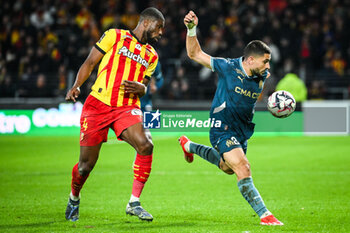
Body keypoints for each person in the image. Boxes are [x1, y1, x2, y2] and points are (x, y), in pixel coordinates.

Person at [179, 11, 283, 226]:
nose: (268, 67)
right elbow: (195, 54)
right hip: (221, 128)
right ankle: (266, 215)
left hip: (242, 131)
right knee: (243, 167)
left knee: (227, 168)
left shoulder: (261, 75)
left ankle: (189, 146)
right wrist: (191, 29)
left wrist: (276, 105)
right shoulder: (228, 67)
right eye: (265, 62)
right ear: (251, 59)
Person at [64, 7, 165, 222]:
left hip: (126, 107)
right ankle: (74, 197)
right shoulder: (115, 36)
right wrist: (76, 85)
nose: (160, 33)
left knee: (146, 144)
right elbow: (90, 62)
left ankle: (134, 203)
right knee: (85, 167)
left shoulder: (152, 56)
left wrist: (143, 89)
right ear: (146, 23)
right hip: (98, 104)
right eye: (158, 28)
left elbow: (144, 85)